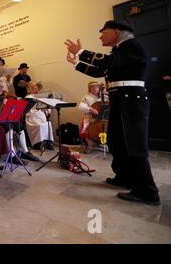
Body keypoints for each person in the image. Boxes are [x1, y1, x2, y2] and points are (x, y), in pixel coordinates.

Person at [65, 20, 160, 205]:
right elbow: (100, 70)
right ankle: (124, 177)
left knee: (134, 145)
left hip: (132, 100)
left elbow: (107, 63)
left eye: (103, 32)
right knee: (116, 141)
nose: (100, 36)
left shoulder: (132, 45)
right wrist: (77, 62)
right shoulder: (119, 51)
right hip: (119, 100)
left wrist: (80, 52)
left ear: (116, 32)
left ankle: (147, 192)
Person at [25, 81, 54, 150]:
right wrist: (37, 110)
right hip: (32, 117)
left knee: (48, 124)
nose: (36, 90)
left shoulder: (38, 96)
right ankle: (38, 143)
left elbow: (42, 106)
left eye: (37, 88)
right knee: (39, 125)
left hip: (39, 115)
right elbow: (27, 109)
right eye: (34, 88)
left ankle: (48, 142)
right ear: (31, 88)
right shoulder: (28, 97)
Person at [78, 82, 103, 153]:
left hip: (102, 118)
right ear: (89, 89)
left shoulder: (103, 96)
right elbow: (81, 107)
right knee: (84, 126)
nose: (94, 88)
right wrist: (90, 109)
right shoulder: (86, 97)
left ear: (99, 88)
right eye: (92, 87)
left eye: (96, 87)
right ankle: (90, 145)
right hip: (90, 117)